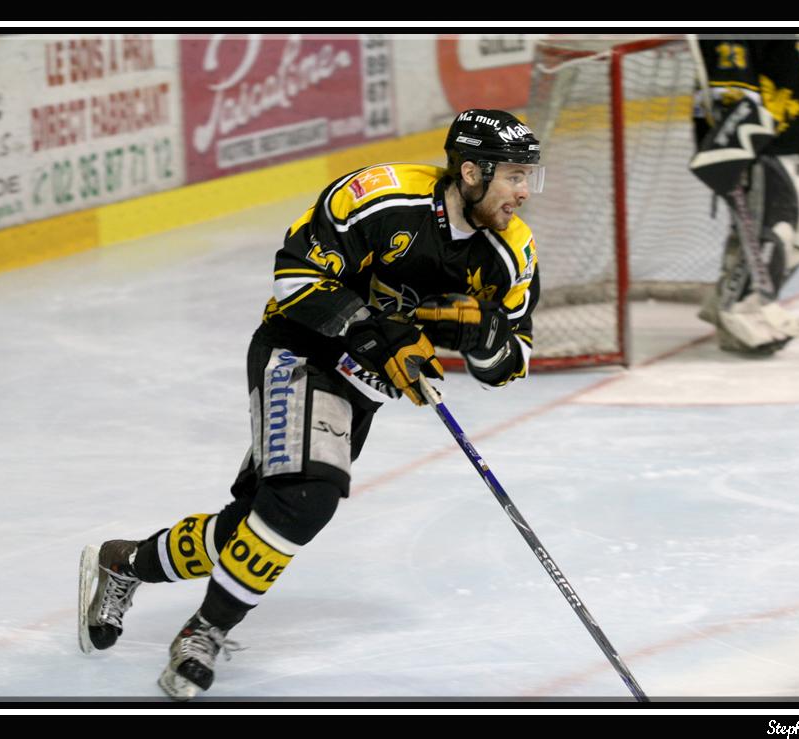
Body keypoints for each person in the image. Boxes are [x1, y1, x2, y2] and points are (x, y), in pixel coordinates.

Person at [78, 109, 545, 700]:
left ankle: (127, 563)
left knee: (262, 520)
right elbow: (295, 278)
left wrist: (486, 344)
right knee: (305, 500)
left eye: (530, 176)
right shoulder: (380, 198)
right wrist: (377, 333)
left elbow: (512, 365)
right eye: (513, 176)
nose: (524, 192)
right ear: (471, 172)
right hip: (300, 352)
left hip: (362, 391)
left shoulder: (511, 253)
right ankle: (204, 632)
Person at [688, 36, 799, 355]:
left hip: (796, 139)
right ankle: (741, 312)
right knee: (774, 230)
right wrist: (740, 152)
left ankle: (730, 299)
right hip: (764, 146)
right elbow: (728, 87)